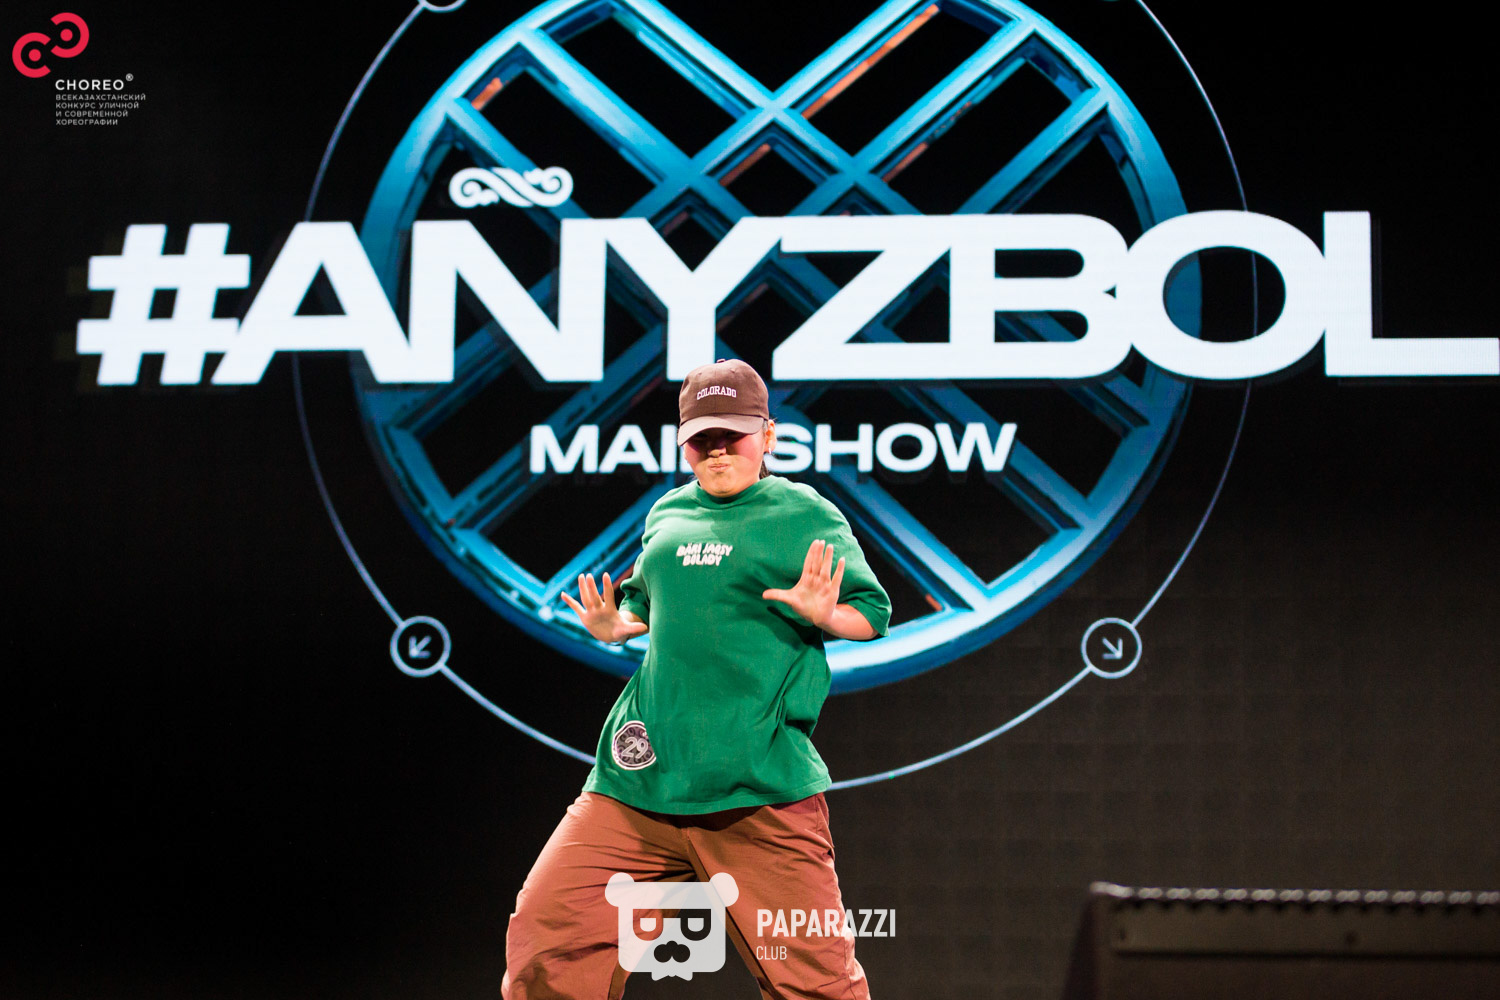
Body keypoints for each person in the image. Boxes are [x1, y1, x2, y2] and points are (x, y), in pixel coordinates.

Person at [500, 358, 892, 1000]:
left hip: (757, 792)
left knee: (817, 985)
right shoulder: (668, 512)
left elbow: (871, 615)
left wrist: (826, 614)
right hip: (639, 784)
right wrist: (617, 625)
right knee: (549, 940)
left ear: (767, 435)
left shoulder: (802, 514)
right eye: (700, 437)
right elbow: (643, 601)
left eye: (731, 435)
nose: (716, 450)